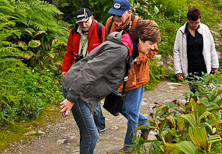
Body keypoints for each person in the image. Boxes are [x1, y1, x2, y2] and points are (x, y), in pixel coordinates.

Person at [60, 20, 161, 154]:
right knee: (91, 135)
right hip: (77, 90)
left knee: (88, 134)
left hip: (84, 92)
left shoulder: (127, 47)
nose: (153, 48)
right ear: (140, 39)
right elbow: (90, 71)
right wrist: (71, 99)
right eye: (150, 43)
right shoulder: (120, 50)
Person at [104, 0, 158, 152]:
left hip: (136, 78)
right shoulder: (110, 23)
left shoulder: (141, 26)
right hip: (118, 77)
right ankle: (145, 124)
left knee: (132, 111)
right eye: (114, 15)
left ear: (129, 13)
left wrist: (134, 59)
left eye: (119, 15)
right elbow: (105, 45)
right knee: (119, 107)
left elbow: (153, 49)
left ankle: (130, 145)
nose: (116, 18)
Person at [61, 8, 106, 132]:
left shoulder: (100, 30)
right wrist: (65, 69)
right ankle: (97, 123)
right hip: (80, 68)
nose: (84, 25)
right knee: (85, 96)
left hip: (96, 70)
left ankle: (99, 124)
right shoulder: (74, 32)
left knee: (92, 97)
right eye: (81, 22)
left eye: (86, 21)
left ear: (91, 18)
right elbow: (69, 52)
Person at [173, 7, 219, 93]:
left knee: (203, 92)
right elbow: (177, 51)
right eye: (192, 23)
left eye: (197, 23)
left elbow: (211, 47)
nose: (195, 25)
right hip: (190, 69)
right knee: (194, 92)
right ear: (187, 20)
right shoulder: (181, 32)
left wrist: (215, 65)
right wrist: (178, 71)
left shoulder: (205, 29)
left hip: (204, 68)